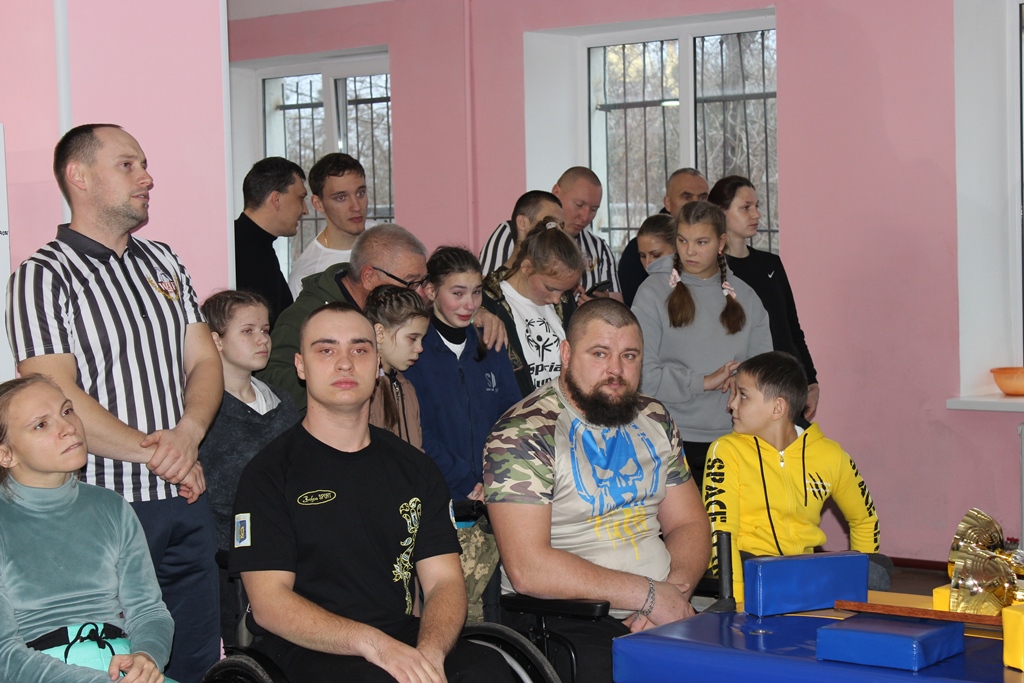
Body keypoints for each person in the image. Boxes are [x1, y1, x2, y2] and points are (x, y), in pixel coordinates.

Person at [7, 124, 222, 682]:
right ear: (79, 176)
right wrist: (164, 454)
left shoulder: (164, 261)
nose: (147, 178)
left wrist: (189, 434)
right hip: (105, 508)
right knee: (118, 666)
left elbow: (204, 360)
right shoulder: (42, 276)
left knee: (195, 662)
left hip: (184, 495)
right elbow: (58, 393)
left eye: (144, 164)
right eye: (128, 165)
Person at [230, 303, 515, 682]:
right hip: (303, 646)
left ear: (378, 362)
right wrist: (374, 645)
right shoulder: (268, 475)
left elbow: (444, 582)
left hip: (399, 632)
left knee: (487, 668)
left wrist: (431, 652)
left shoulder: (415, 469)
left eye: (360, 350)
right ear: (300, 366)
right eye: (326, 350)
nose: (345, 363)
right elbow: (269, 604)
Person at [483, 299, 711, 683]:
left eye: (629, 356)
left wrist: (673, 593)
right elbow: (527, 568)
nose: (616, 370)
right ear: (566, 354)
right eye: (600, 354)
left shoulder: (655, 418)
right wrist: (648, 596)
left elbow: (689, 522)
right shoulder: (524, 432)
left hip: (663, 603)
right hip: (565, 615)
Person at [0, 376, 175, 683]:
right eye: (41, 425)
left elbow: (148, 611)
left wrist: (147, 657)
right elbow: (5, 656)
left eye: (67, 411)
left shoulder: (112, 506)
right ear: (5, 454)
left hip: (123, 665)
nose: (68, 427)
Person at [262, 224, 508, 410]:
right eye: (410, 282)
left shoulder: (396, 308)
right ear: (369, 276)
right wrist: (344, 375)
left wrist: (478, 313)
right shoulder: (307, 315)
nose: (418, 292)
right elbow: (270, 385)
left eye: (421, 282)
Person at [703, 351, 887, 596]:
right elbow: (721, 531)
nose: (732, 405)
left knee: (877, 568)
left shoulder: (830, 455)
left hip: (801, 569)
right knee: (754, 568)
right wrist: (733, 599)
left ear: (777, 408)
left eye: (743, 395)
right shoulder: (726, 451)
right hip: (749, 569)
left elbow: (864, 520)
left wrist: (859, 586)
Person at [631, 200, 771, 489]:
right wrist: (703, 382)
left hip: (733, 439)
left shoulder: (747, 296)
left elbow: (765, 373)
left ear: (722, 242)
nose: (690, 251)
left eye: (701, 242)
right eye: (682, 240)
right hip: (665, 439)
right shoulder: (652, 292)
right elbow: (641, 376)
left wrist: (743, 380)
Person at [198, 290, 301, 645]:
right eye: (248, 331)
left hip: (285, 546)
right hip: (225, 558)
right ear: (216, 341)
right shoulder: (200, 411)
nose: (262, 339)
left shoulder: (282, 402)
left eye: (265, 330)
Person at [404, 247, 521, 502]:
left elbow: (511, 418)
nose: (470, 304)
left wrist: (497, 476)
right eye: (458, 293)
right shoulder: (415, 352)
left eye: (476, 292)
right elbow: (417, 431)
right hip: (437, 491)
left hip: (492, 488)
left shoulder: (491, 343)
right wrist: (465, 481)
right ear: (431, 291)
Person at [709, 175, 820, 421]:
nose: (756, 215)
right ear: (720, 212)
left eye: (757, 206)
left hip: (786, 386)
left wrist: (811, 381)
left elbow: (792, 330)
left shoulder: (771, 264)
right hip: (746, 393)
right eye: (746, 207)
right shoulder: (712, 272)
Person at [478, 168, 621, 300]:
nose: (585, 216)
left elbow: (619, 305)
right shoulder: (510, 233)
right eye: (579, 204)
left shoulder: (599, 247)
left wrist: (601, 304)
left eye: (594, 209)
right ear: (556, 192)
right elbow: (486, 290)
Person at [482, 223, 583, 396]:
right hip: (518, 410)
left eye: (564, 291)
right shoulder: (488, 302)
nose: (556, 299)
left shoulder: (565, 303)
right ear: (526, 267)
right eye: (550, 288)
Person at [234, 157, 309, 326]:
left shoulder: (254, 245)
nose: (305, 210)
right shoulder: (239, 250)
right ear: (276, 199)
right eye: (300, 198)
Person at [619, 168, 710, 306]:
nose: (696, 205)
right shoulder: (641, 247)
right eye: (686, 197)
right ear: (668, 203)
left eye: (703, 197)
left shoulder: (715, 244)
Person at [287, 153, 368, 298]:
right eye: (341, 197)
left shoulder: (387, 237)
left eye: (360, 193)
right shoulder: (307, 277)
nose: (356, 206)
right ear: (318, 204)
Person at [364, 285, 430, 448]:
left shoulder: (406, 387)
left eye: (422, 339)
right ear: (379, 334)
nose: (420, 348)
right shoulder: (364, 391)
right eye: (412, 338)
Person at [478, 190, 564, 273]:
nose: (559, 232)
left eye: (561, 226)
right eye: (550, 223)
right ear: (522, 222)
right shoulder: (496, 282)